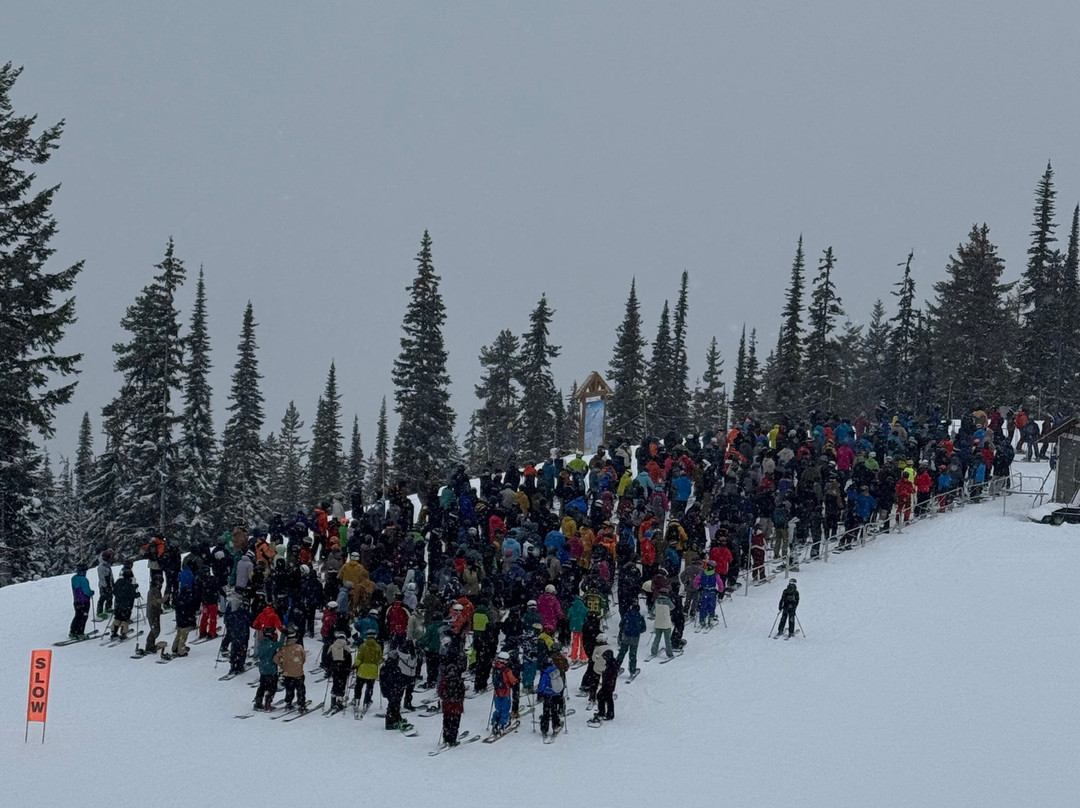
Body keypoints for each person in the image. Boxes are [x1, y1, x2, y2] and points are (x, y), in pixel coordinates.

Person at [274, 629, 308, 711]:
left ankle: (288, 703)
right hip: (298, 672)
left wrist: (282, 665)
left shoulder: (284, 648)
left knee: (289, 689)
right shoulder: (299, 647)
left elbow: (275, 658)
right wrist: (299, 665)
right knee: (300, 689)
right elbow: (304, 658)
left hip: (287, 673)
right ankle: (301, 704)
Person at [438, 654, 467, 747]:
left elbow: (440, 692)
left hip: (447, 706)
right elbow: (463, 693)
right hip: (457, 706)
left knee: (446, 723)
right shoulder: (459, 681)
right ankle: (453, 740)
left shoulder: (444, 681)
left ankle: (446, 738)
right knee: (455, 723)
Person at [253, 628, 283, 711]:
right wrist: (283, 634)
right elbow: (281, 644)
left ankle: (258, 702)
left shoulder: (261, 644)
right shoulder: (272, 645)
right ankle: (268, 702)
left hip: (262, 669)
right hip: (271, 669)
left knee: (262, 686)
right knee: (272, 688)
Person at [490, 651, 518, 736]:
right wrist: (516, 681)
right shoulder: (506, 670)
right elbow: (512, 680)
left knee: (498, 708)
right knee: (505, 708)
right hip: (505, 692)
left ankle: (495, 721)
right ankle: (502, 723)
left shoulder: (495, 668)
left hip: (496, 692)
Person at [536, 656, 565, 739]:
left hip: (547, 694)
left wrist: (539, 692)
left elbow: (542, 684)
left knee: (546, 712)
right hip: (556, 694)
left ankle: (544, 728)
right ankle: (556, 725)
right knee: (554, 711)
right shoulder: (556, 670)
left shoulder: (545, 673)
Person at [614, 602, 646, 677]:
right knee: (633, 654)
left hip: (626, 637)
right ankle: (632, 670)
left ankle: (616, 668)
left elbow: (621, 625)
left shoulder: (626, 615)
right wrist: (638, 631)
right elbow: (643, 629)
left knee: (621, 653)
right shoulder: (640, 617)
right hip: (635, 638)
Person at [354, 629, 383, 711]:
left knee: (358, 686)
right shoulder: (378, 646)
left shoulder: (362, 646)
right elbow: (379, 659)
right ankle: (366, 702)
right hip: (372, 670)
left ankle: (356, 700)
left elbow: (359, 658)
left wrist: (355, 665)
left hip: (362, 669)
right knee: (369, 687)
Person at [171, 577, 198, 657]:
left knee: (178, 634)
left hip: (179, 620)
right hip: (186, 621)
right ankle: (181, 651)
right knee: (183, 636)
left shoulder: (179, 599)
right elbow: (191, 612)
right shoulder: (188, 601)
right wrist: (193, 621)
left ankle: (175, 647)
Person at [327, 631, 353, 712]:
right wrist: (348, 669)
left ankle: (333, 700)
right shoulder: (346, 647)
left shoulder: (332, 646)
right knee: (342, 684)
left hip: (334, 668)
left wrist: (329, 668)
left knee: (335, 683)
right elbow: (349, 660)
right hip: (343, 668)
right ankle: (339, 701)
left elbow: (328, 657)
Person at [110, 568, 140, 640]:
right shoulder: (129, 585)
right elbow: (132, 595)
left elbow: (114, 591)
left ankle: (114, 632)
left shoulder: (118, 582)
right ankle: (123, 633)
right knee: (124, 620)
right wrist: (137, 594)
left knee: (117, 618)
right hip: (126, 606)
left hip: (117, 604)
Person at [70, 563, 94, 640]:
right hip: (84, 601)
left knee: (77, 616)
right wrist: (91, 593)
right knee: (83, 617)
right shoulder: (83, 580)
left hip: (76, 601)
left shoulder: (74, 578)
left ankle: (73, 631)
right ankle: (80, 633)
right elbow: (86, 591)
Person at [142, 571, 164, 655]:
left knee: (155, 629)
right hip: (153, 612)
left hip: (154, 612)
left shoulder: (154, 589)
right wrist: (165, 598)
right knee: (155, 630)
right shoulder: (154, 590)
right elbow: (157, 601)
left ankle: (151, 644)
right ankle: (149, 645)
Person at [650, 588, 675, 659]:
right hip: (666, 624)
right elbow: (673, 607)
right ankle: (669, 654)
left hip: (658, 623)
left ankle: (653, 651)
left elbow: (653, 612)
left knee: (657, 638)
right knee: (667, 640)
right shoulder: (668, 601)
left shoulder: (657, 601)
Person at [96, 548, 114, 619]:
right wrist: (106, 585)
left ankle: (108, 607)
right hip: (104, 584)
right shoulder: (102, 566)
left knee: (110, 596)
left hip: (108, 583)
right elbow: (103, 577)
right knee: (103, 597)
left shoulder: (106, 564)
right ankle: (99, 612)